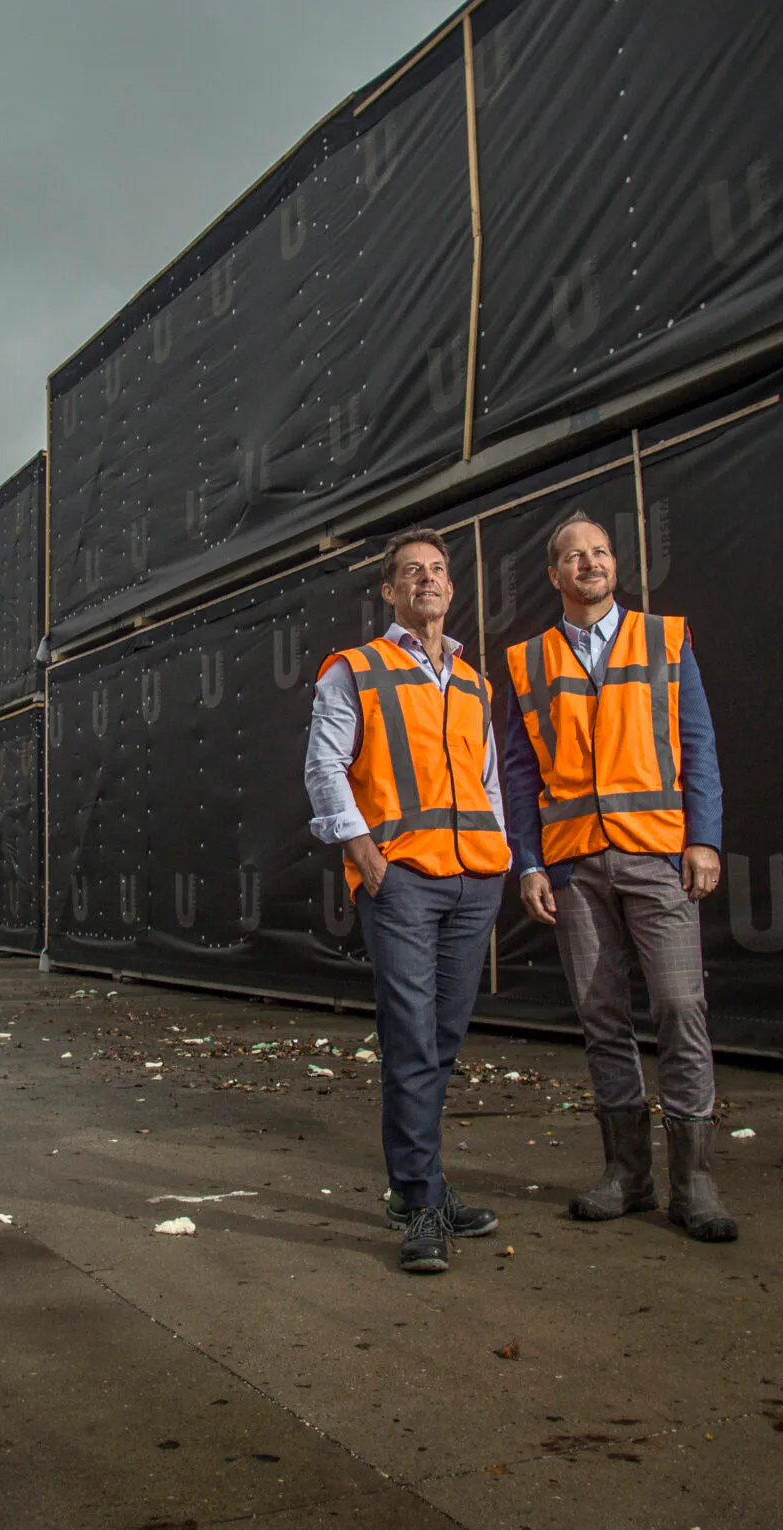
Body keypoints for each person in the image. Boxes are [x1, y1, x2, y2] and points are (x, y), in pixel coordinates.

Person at [498, 511, 736, 1243]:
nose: (591, 563)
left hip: (658, 855)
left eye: (600, 552)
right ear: (555, 574)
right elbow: (518, 773)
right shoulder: (528, 660)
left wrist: (704, 840)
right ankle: (627, 1175)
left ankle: (693, 1183)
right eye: (576, 555)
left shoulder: (664, 638)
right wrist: (530, 861)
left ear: (614, 565)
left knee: (680, 1009)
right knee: (602, 1019)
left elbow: (697, 742)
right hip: (574, 866)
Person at [303, 529, 511, 1274]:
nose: (427, 579)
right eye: (411, 572)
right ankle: (422, 1205)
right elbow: (324, 765)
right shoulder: (356, 669)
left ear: (451, 588)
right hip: (402, 882)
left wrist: (500, 854)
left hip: (474, 881)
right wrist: (362, 852)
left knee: (441, 1040)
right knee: (412, 1039)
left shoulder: (474, 682)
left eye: (438, 569)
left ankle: (421, 1185)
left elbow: (487, 779)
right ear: (390, 592)